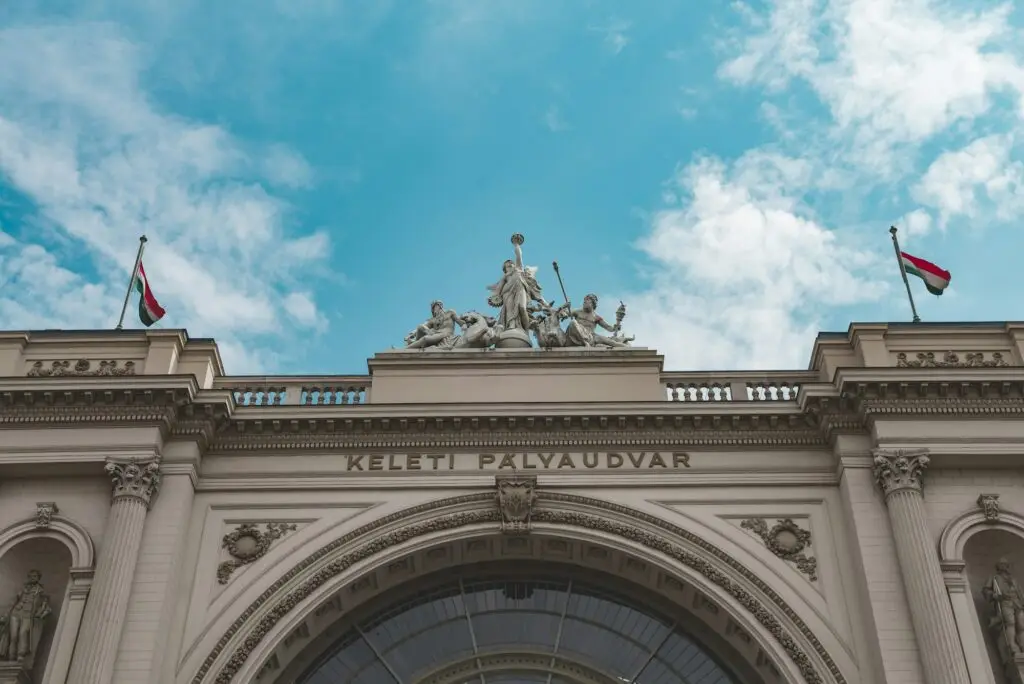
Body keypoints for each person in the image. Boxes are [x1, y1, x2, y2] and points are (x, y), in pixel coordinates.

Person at [486, 234, 544, 331]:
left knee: (522, 307)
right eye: (507, 266)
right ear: (504, 269)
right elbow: (496, 287)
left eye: (511, 264)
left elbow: (519, 255)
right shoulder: (505, 277)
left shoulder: (519, 269)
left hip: (520, 290)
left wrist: (516, 244)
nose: (510, 265)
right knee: (509, 310)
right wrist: (492, 294)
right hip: (507, 292)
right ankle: (511, 326)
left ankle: (526, 329)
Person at [565, 294, 631, 348]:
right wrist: (565, 307)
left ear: (593, 304)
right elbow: (566, 313)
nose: (584, 303)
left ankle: (626, 347)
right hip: (579, 334)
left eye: (587, 301)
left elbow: (608, 327)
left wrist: (616, 327)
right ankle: (585, 343)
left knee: (610, 342)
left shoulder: (596, 317)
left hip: (591, 336)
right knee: (573, 323)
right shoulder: (577, 312)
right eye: (584, 301)